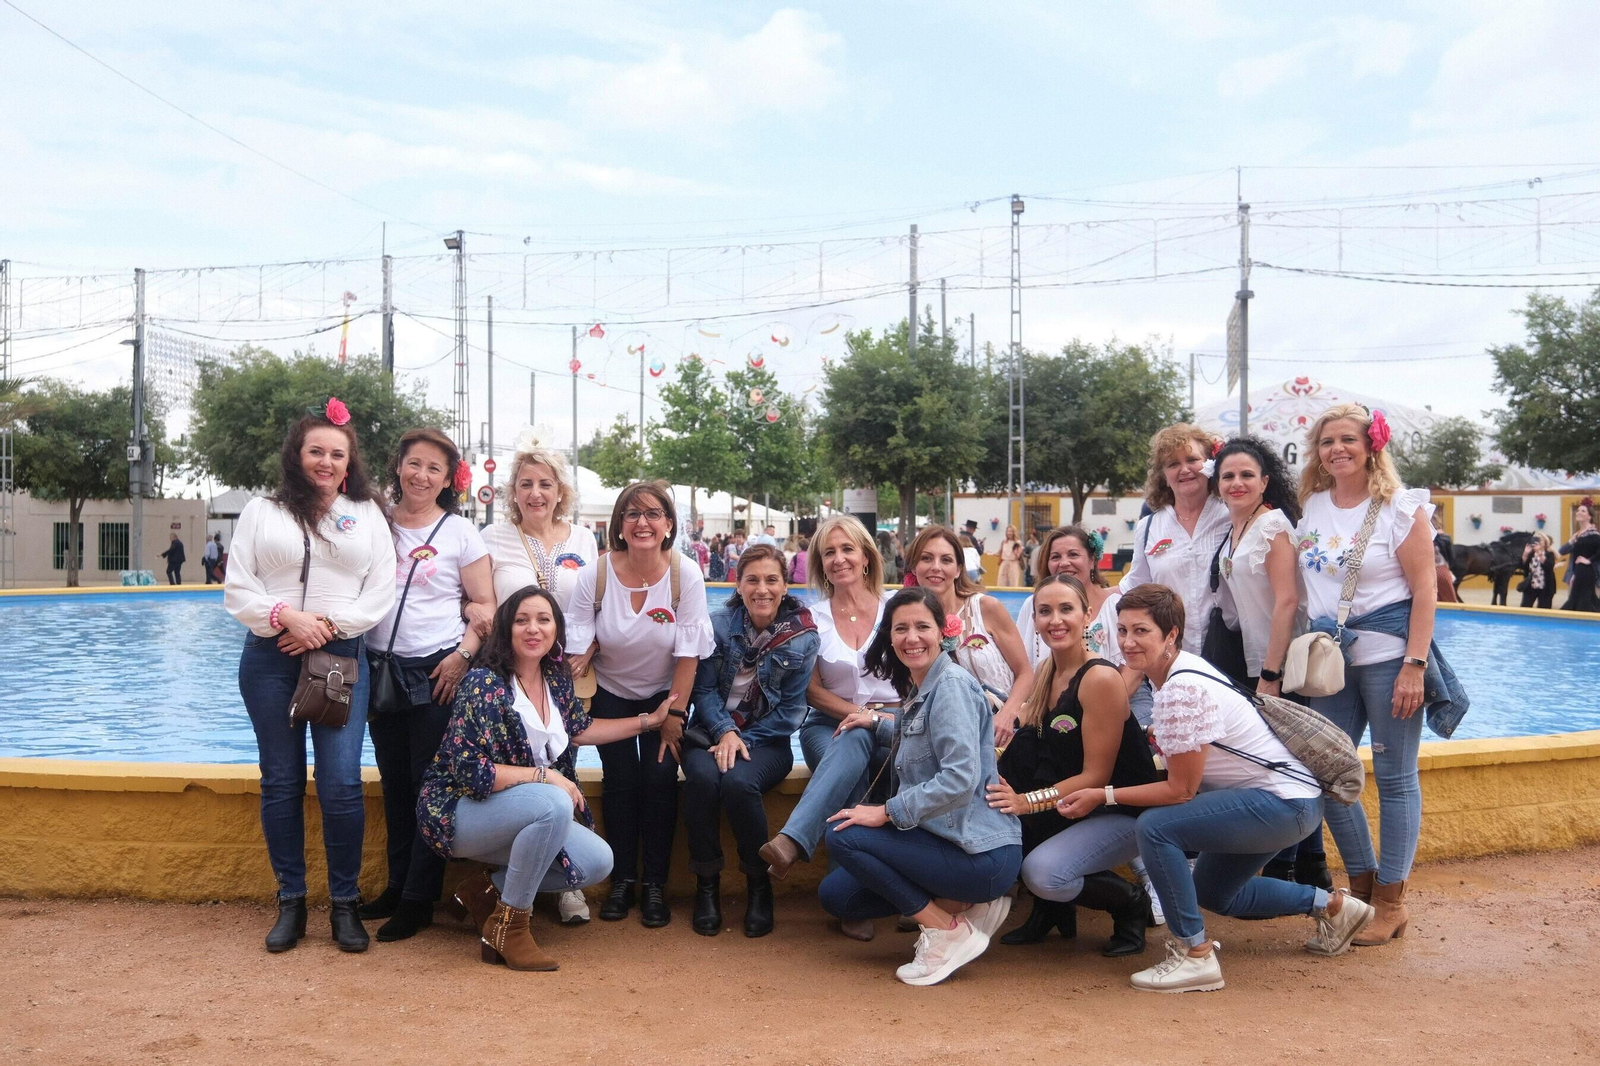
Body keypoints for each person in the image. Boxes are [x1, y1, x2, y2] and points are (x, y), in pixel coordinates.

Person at [1060, 584, 1377, 993]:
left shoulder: (1180, 689)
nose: (1127, 642)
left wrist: (1103, 794)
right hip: (1294, 802)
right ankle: (1334, 907)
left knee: (1155, 828)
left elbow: (1180, 791)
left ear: (1171, 634)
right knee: (1213, 892)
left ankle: (1195, 956)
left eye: (1141, 631)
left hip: (1281, 805)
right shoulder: (1182, 669)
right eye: (1122, 630)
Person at [417, 587, 669, 971]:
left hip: (525, 809)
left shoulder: (555, 676)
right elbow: (470, 771)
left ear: (556, 628)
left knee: (596, 862)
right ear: (506, 628)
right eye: (522, 620)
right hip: (459, 811)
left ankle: (486, 891)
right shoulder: (484, 684)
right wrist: (545, 776)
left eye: (543, 620)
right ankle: (510, 927)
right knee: (553, 802)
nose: (533, 629)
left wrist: (649, 721)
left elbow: (580, 729)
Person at [223, 398, 397, 953]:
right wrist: (285, 617)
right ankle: (291, 902)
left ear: (349, 463)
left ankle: (345, 904)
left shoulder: (366, 514)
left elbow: (381, 590)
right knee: (280, 780)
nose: (326, 461)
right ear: (296, 456)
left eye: (336, 454)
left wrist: (323, 626)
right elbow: (238, 586)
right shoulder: (262, 511)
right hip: (270, 656)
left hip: (339, 657)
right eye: (315, 451)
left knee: (341, 781)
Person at [1297, 403, 1452, 945]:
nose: (1337, 449)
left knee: (1394, 777)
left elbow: (1425, 590)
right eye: (1326, 441)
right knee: (1328, 774)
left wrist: (1415, 665)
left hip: (1390, 660)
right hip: (1331, 665)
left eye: (1348, 439)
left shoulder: (1400, 508)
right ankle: (1361, 886)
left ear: (1371, 447)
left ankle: (1391, 901)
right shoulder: (1312, 506)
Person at [818, 586, 1022, 987]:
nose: (911, 638)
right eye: (901, 629)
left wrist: (886, 812)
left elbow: (959, 778)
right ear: (889, 636)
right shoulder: (924, 684)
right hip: (948, 841)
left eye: (922, 627)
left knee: (844, 835)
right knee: (839, 897)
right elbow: (924, 735)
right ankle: (963, 906)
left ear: (942, 632)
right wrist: (876, 722)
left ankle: (948, 931)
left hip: (977, 850)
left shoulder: (951, 686)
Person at [358, 428, 495, 942]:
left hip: (439, 670)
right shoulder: (374, 522)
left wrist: (462, 657)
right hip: (381, 669)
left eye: (434, 468)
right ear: (399, 466)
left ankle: (418, 899)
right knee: (394, 783)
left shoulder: (460, 533)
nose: (422, 475)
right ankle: (396, 886)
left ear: (448, 479)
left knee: (429, 786)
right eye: (414, 463)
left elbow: (485, 605)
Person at [565, 481, 713, 928]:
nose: (642, 522)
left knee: (660, 778)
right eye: (632, 514)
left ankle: (654, 885)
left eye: (653, 514)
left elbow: (689, 655)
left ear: (668, 524)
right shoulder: (595, 574)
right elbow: (577, 641)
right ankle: (622, 880)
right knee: (621, 781)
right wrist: (590, 647)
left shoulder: (685, 575)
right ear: (619, 524)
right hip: (610, 691)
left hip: (665, 692)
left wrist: (674, 714)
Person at [990, 575, 1160, 954]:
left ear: (1087, 616)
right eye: (1045, 611)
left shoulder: (1100, 678)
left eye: (1066, 609)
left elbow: (1095, 777)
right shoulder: (1046, 671)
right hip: (1074, 804)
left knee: (1043, 872)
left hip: (1120, 809)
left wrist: (1026, 802)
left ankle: (1130, 902)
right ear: (1034, 620)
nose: (1055, 620)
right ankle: (1052, 912)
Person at [761, 515, 897, 942]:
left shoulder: (897, 608)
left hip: (894, 722)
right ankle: (855, 897)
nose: (839, 559)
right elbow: (812, 692)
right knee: (853, 742)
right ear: (820, 564)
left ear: (866, 556)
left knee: (858, 746)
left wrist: (877, 718)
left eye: (847, 549)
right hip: (828, 724)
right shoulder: (810, 618)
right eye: (829, 553)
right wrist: (859, 715)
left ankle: (795, 844)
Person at [1210, 436, 1329, 890]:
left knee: (1291, 764)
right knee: (1279, 762)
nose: (1236, 483)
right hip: (1250, 663)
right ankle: (1302, 861)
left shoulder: (1273, 526)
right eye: (1228, 476)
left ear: (1264, 481)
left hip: (1277, 666)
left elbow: (1287, 601)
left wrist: (1271, 674)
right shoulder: (1234, 528)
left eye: (1246, 475)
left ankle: (1293, 864)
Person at [685, 545, 819, 937]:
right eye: (753, 580)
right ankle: (706, 883)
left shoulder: (803, 637)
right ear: (739, 585)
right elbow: (702, 691)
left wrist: (740, 739)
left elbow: (791, 712)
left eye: (771, 580)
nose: (762, 589)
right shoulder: (718, 625)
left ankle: (759, 884)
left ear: (785, 585)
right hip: (709, 732)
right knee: (703, 780)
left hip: (767, 740)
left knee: (740, 783)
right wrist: (725, 732)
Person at [906, 525, 1033, 746]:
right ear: (914, 567)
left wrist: (1007, 715)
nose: (936, 567)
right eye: (926, 558)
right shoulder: (907, 624)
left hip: (1006, 731)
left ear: (958, 569)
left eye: (946, 560)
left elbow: (1025, 672)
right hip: (948, 735)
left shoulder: (986, 608)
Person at [1121, 423, 1232, 655]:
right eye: (1173, 464)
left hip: (1229, 652)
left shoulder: (1233, 517)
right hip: (1171, 656)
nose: (1185, 469)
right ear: (1163, 475)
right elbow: (1135, 588)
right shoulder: (1148, 527)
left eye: (1192, 460)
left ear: (1210, 464)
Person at [481, 444, 597, 610]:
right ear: (514, 492)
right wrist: (469, 609)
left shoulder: (583, 538)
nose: (535, 493)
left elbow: (596, 604)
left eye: (545, 484)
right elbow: (470, 599)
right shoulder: (493, 537)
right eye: (526, 484)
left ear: (560, 492)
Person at [1560, 501, 1599, 612]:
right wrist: (1574, 574)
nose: (1579, 512)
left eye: (1583, 511)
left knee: (1584, 602)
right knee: (1575, 601)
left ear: (1589, 516)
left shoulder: (1593, 534)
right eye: (1578, 510)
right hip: (1578, 572)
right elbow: (1562, 551)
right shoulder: (1577, 535)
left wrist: (1589, 560)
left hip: (1587, 572)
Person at [1521, 532, 1558, 609]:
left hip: (1545, 586)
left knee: (1544, 609)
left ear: (1545, 542)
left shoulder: (1549, 554)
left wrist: (1539, 553)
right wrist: (1525, 554)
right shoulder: (1531, 554)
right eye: (1535, 539)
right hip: (1531, 585)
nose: (1537, 541)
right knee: (1525, 607)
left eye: (1539, 539)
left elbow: (1549, 566)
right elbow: (1524, 567)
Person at [1432, 513, 1459, 604]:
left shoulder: (1425, 536)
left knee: (1433, 600)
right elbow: (1452, 557)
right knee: (1449, 600)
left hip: (1428, 572)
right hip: (1442, 570)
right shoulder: (1445, 538)